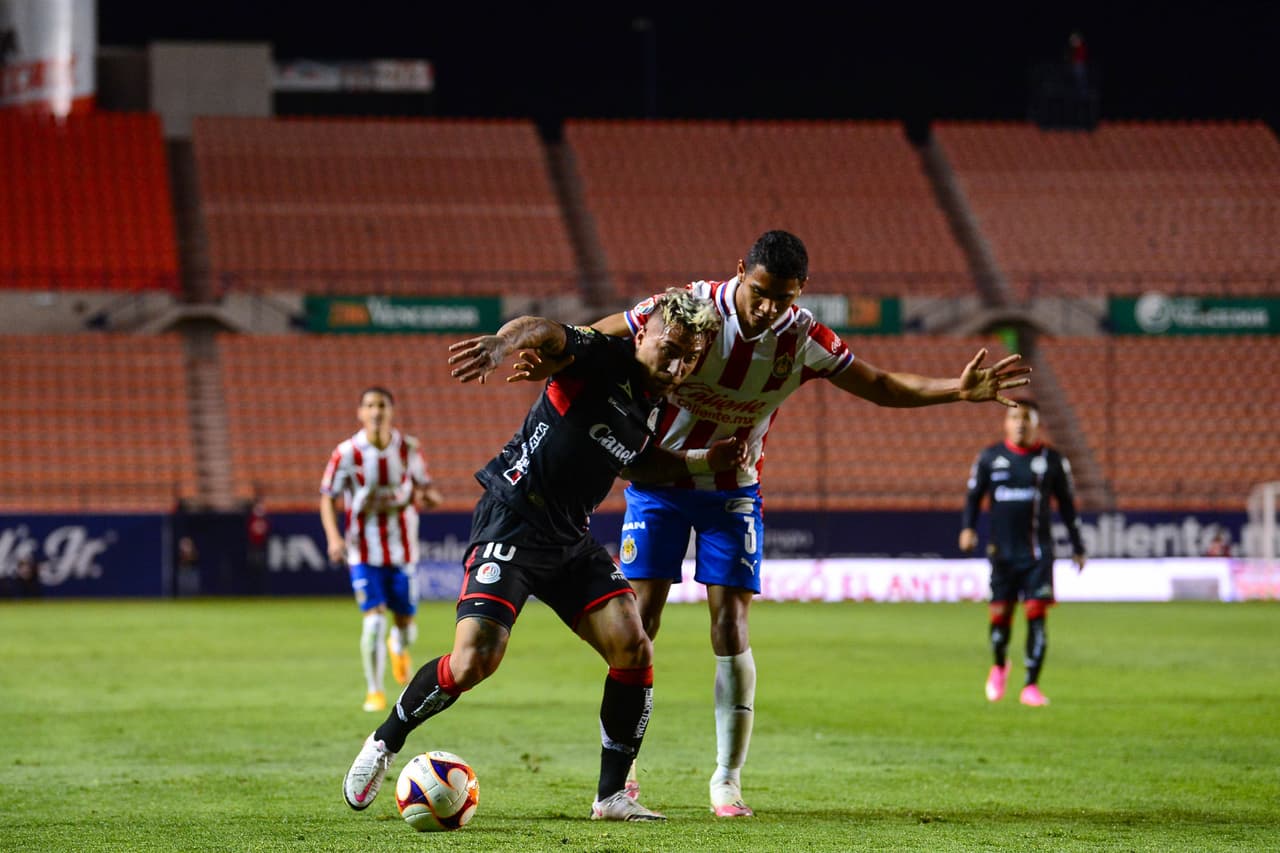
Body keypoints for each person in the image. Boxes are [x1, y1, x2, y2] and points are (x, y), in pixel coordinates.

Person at [510, 229, 1031, 817]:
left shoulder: (803, 338)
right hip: (658, 481)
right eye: (760, 293)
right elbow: (602, 335)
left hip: (732, 491)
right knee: (640, 621)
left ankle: (727, 780)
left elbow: (879, 384)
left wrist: (954, 392)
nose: (767, 308)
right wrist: (552, 360)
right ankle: (624, 770)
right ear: (740, 271)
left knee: (729, 624)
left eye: (782, 298)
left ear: (800, 291)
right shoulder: (690, 309)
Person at [341, 290, 748, 822]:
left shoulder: (656, 399)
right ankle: (383, 742)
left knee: (633, 646)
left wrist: (701, 459)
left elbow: (640, 462)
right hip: (513, 515)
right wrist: (501, 343)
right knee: (473, 661)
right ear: (643, 333)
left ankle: (611, 796)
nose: (675, 364)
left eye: (687, 357)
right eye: (668, 348)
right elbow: (546, 330)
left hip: (567, 537)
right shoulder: (603, 356)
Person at [321, 387, 444, 713]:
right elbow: (328, 497)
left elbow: (425, 488)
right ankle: (374, 691)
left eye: (382, 406)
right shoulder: (346, 453)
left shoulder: (408, 449)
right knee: (373, 621)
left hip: (402, 550)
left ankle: (398, 646)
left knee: (406, 627)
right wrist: (334, 539)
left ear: (391, 411)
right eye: (370, 406)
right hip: (362, 550)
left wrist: (430, 498)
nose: (376, 412)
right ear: (361, 413)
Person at [959, 399, 1086, 707]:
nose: (1020, 423)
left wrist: (1077, 545)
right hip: (1001, 554)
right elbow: (974, 497)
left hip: (1037, 555)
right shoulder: (990, 458)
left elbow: (1068, 506)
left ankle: (1031, 686)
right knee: (1000, 620)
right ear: (1006, 422)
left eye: (1026, 418)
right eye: (1014, 417)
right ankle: (1000, 664)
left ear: (1036, 423)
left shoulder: (1052, 460)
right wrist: (968, 528)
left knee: (1037, 617)